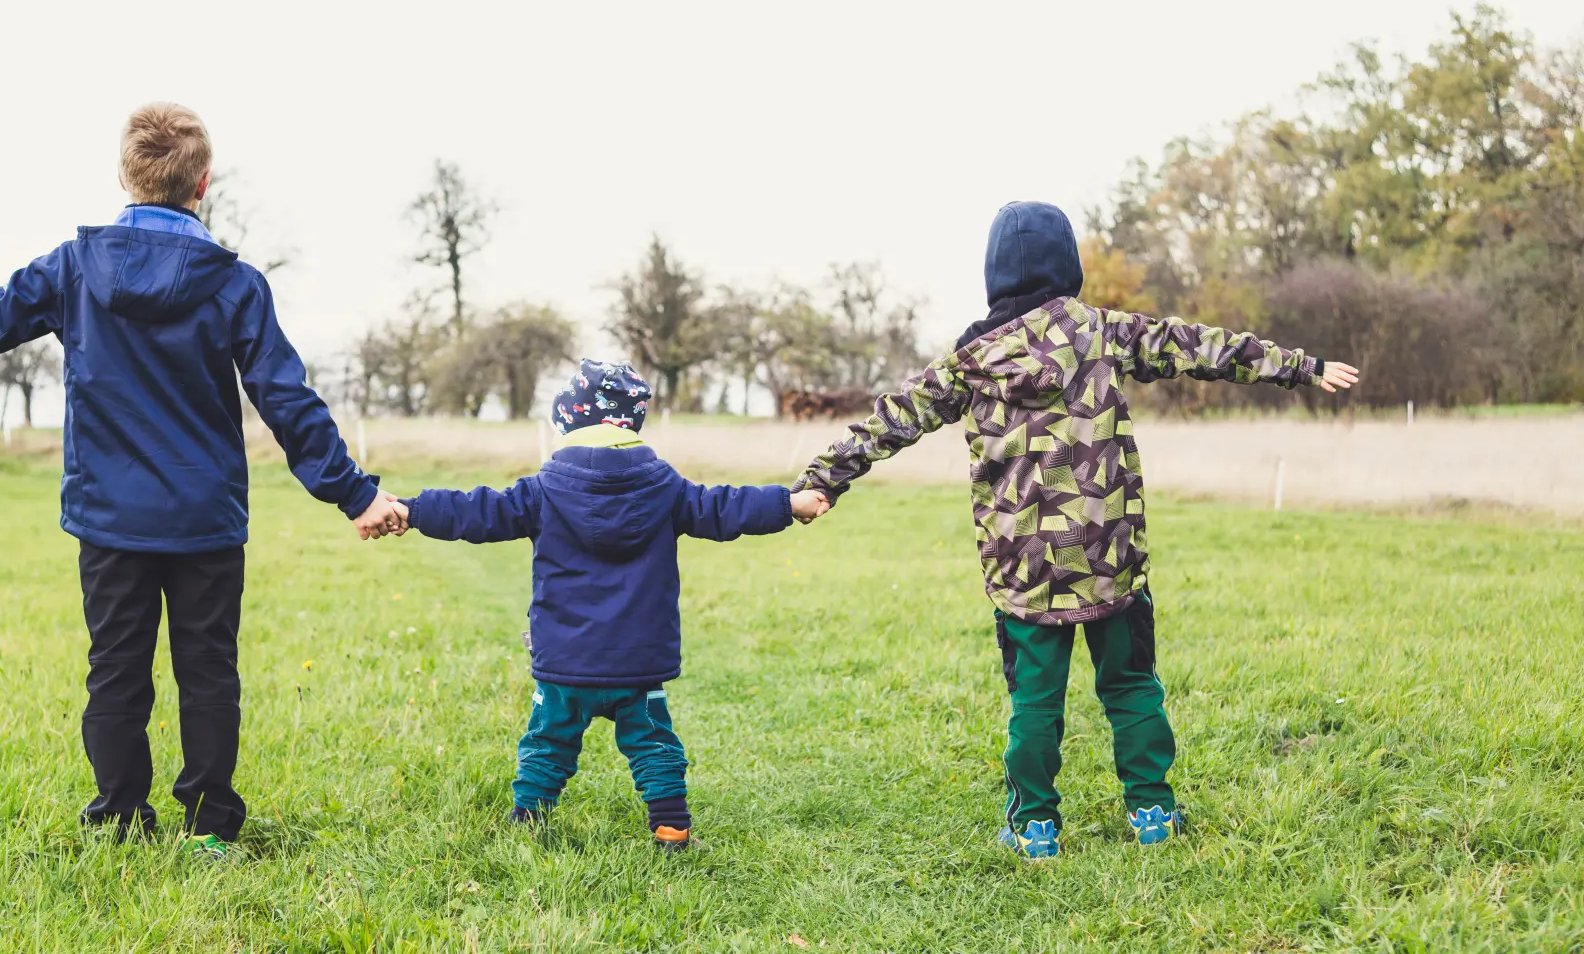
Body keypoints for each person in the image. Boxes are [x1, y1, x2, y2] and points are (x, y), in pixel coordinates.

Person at [0, 102, 406, 859]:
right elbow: (286, 399)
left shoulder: (76, 270)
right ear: (203, 183)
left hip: (111, 520)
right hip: (205, 520)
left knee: (116, 674)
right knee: (208, 671)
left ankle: (118, 819)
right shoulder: (236, 284)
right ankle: (210, 829)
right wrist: (355, 493)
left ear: (123, 175)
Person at [792, 201, 1359, 859]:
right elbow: (1197, 346)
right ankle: (1151, 812)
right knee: (1131, 686)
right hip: (1108, 555)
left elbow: (892, 418)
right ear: (1069, 266)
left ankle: (1034, 827)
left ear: (995, 275)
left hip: (1025, 570)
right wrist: (1301, 367)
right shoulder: (1100, 331)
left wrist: (823, 479)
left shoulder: (972, 360)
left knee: (1034, 702)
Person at [386, 359, 825, 850]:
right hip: (637, 662)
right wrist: (788, 503)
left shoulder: (543, 489)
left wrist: (412, 509)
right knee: (654, 744)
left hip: (565, 661)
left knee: (548, 741)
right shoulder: (666, 488)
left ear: (568, 421)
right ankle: (671, 828)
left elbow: (476, 510)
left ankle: (527, 820)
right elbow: (724, 507)